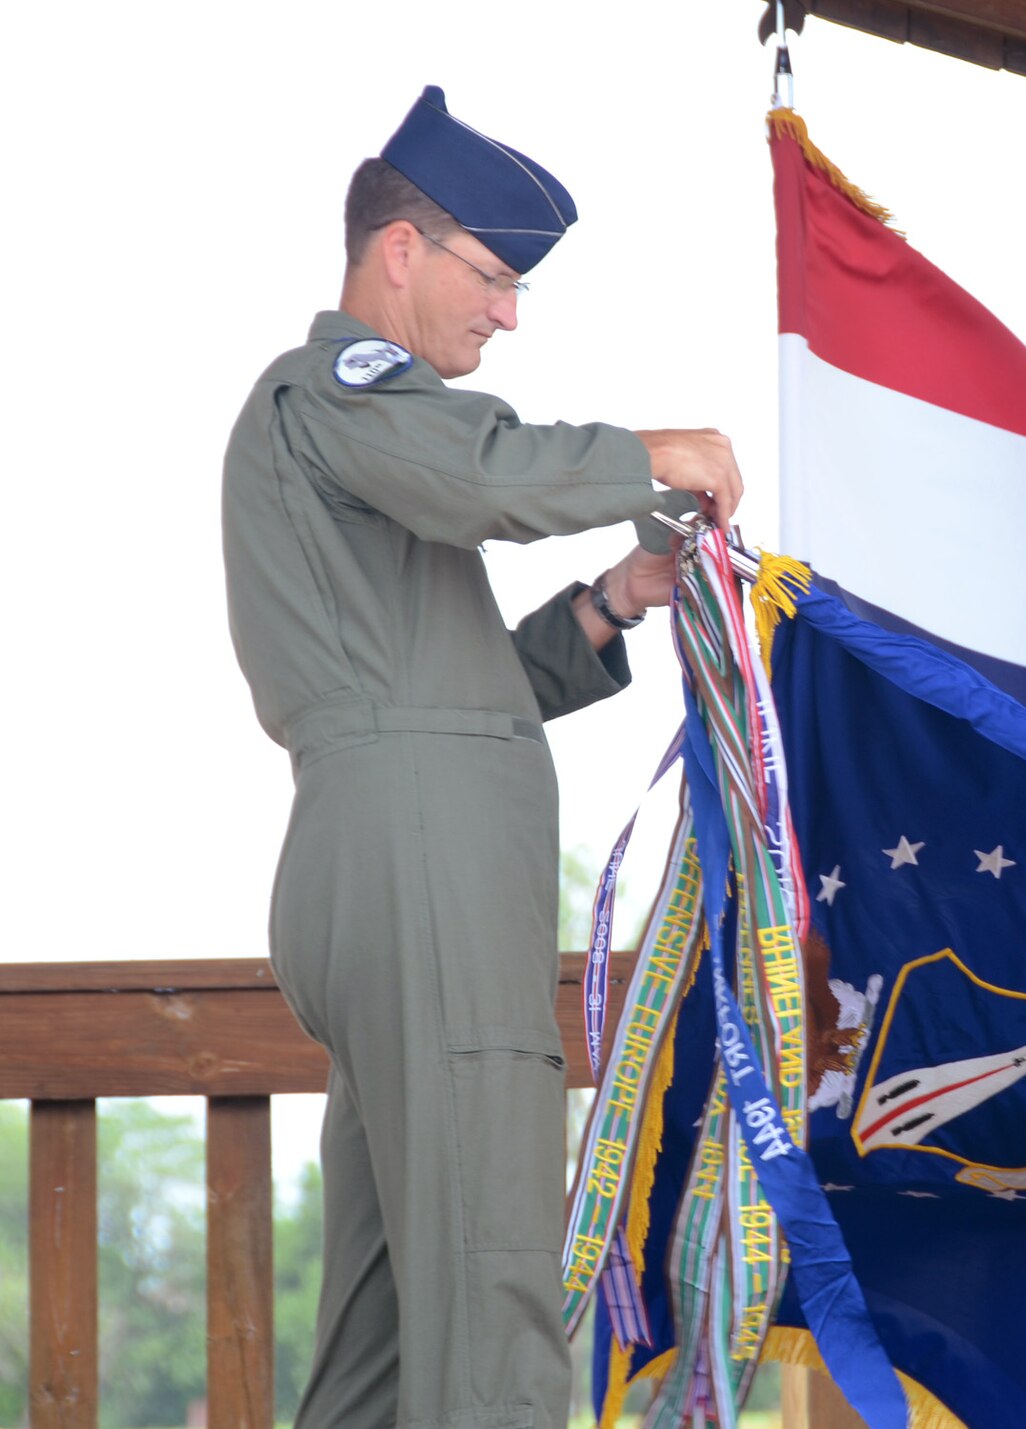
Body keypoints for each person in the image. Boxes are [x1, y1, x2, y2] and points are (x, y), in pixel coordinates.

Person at [221, 86, 742, 1429]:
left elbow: (457, 691)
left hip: (396, 856)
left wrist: (616, 600)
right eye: (496, 276)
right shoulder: (345, 392)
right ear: (403, 247)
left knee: (397, 1318)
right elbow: (485, 476)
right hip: (420, 870)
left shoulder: (357, 443)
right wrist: (650, 455)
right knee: (496, 1278)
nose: (508, 313)